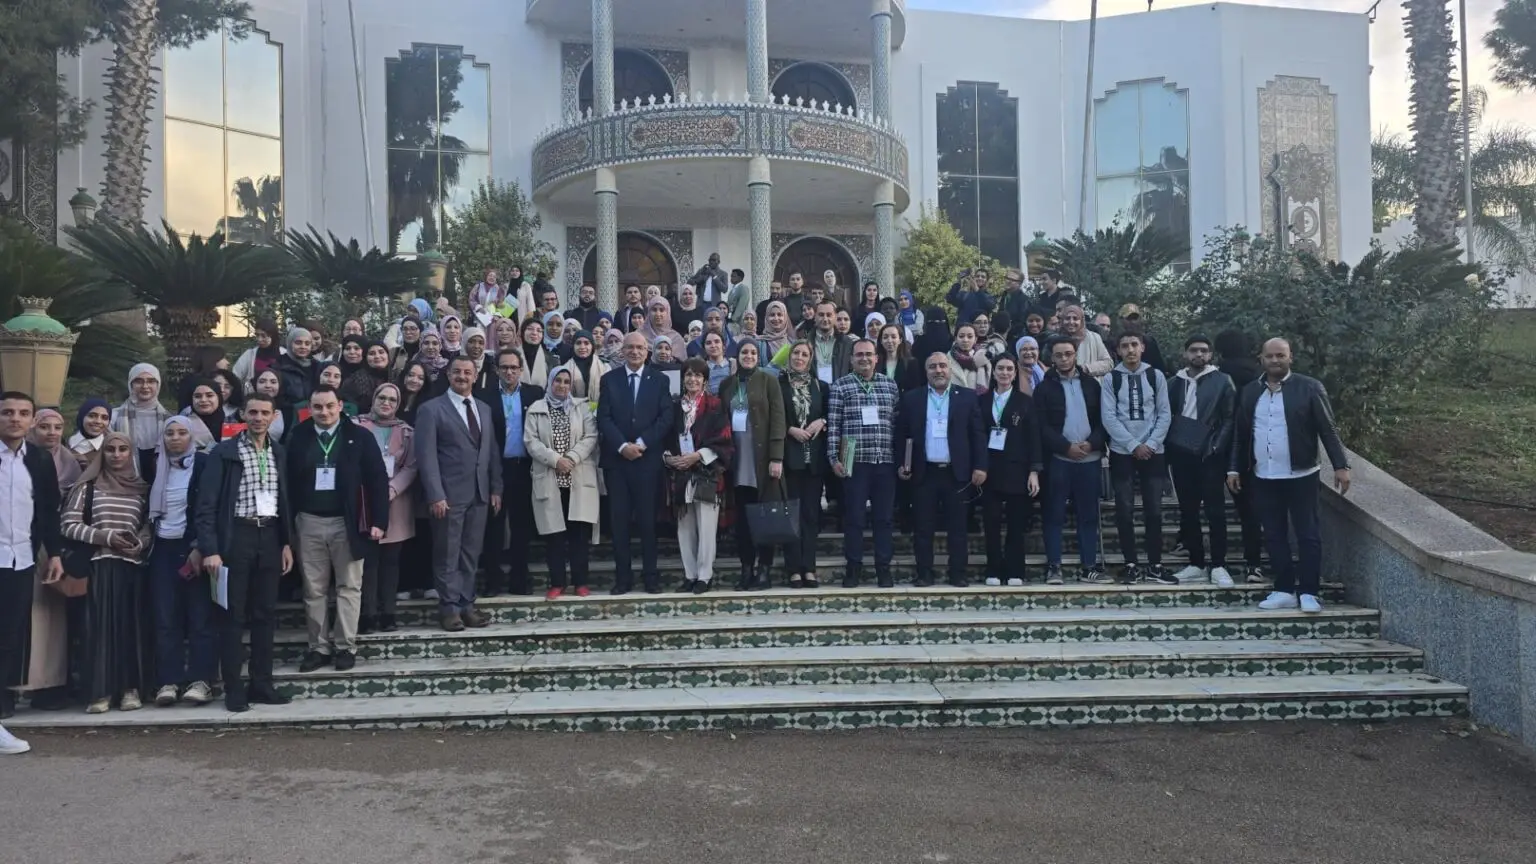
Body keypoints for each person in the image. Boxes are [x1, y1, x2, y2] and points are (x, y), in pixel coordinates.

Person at [1229, 338, 1351, 613]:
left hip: (1302, 473)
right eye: (1270, 356)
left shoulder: (1309, 387)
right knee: (1273, 534)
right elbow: (1240, 434)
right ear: (1261, 359)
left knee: (1308, 533)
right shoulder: (1250, 392)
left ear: (1290, 357)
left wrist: (1341, 466)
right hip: (1264, 475)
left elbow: (1327, 429)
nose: (1275, 361)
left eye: (1280, 356)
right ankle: (1283, 588)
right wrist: (1234, 467)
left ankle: (1309, 591)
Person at [196, 392, 295, 713]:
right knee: (232, 615)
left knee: (265, 613)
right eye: (252, 412)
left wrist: (285, 543)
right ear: (243, 414)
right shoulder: (225, 453)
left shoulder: (279, 452)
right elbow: (206, 504)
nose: (258, 418)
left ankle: (262, 684)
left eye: (265, 412)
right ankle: (234, 688)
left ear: (274, 416)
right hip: (236, 536)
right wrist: (210, 549)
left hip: (269, 535)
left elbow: (284, 501)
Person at [287, 385, 388, 672]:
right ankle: (318, 647)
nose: (324, 412)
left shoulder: (359, 437)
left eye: (330, 406)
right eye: (318, 407)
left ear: (340, 405)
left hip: (348, 522)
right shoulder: (299, 437)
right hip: (309, 521)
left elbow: (377, 480)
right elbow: (288, 483)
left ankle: (346, 646)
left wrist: (380, 522)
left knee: (349, 586)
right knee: (314, 588)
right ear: (310, 408)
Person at [59, 431, 150, 713]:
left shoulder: (142, 489)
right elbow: (68, 525)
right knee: (97, 631)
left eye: (123, 449)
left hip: (132, 568)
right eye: (111, 449)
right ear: (103, 453)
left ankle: (130, 690)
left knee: (130, 630)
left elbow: (150, 525)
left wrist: (141, 542)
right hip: (98, 566)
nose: (117, 454)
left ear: (131, 453)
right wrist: (106, 537)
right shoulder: (87, 487)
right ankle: (100, 692)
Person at [416, 357, 501, 630]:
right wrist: (435, 494)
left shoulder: (484, 409)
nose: (462, 376)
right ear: (448, 375)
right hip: (448, 496)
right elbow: (426, 456)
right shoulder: (431, 410)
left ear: (476, 376)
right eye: (457, 372)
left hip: (480, 494)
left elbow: (491, 452)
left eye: (467, 372)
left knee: (470, 553)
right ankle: (449, 608)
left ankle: (467, 605)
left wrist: (496, 487)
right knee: (447, 553)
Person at [896, 353, 987, 588]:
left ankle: (958, 573)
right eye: (932, 366)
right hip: (924, 473)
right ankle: (924, 573)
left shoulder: (966, 397)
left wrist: (980, 466)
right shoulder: (912, 398)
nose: (938, 370)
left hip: (956, 474)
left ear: (950, 369)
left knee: (958, 527)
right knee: (923, 528)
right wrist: (903, 465)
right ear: (926, 371)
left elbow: (977, 435)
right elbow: (902, 436)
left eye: (942, 366)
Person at [0, 393, 64, 722]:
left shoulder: (38, 459)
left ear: (32, 420)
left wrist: (53, 554)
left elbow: (48, 511)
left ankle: (3, 696)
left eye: (23, 413)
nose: (15, 419)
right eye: (8, 412)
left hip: (21, 558)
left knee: (11, 630)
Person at [596, 332, 676, 594]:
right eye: (629, 347)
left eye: (639, 347)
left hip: (647, 461)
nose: (634, 351)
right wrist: (622, 446)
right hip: (617, 463)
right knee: (619, 523)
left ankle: (650, 577)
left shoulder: (660, 380)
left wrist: (641, 443)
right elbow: (604, 417)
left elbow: (666, 418)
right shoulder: (609, 380)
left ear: (647, 351)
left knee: (647, 522)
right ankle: (623, 578)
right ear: (622, 351)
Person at [145, 416, 215, 707]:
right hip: (162, 547)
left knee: (199, 617)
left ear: (192, 436)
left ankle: (201, 680)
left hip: (192, 547)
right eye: (169, 433)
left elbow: (209, 506)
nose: (175, 438)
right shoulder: (156, 467)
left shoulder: (203, 465)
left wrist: (201, 545)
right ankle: (168, 680)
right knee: (165, 618)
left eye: (181, 432)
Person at [17, 409, 77, 713]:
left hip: (55, 549)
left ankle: (48, 685)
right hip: (21, 545)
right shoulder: (20, 461)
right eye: (44, 427)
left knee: (50, 620)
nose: (51, 433)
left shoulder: (70, 464)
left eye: (57, 427)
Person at [1102, 328, 1173, 585]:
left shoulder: (1155, 376)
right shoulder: (1112, 379)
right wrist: (1133, 444)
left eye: (1134, 344)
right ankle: (1130, 563)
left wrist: (1151, 443)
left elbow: (1165, 413)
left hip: (1154, 452)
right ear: (1118, 350)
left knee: (1154, 510)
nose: (1130, 350)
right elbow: (1109, 416)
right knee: (1124, 509)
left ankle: (1155, 563)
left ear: (1142, 347)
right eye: (1124, 346)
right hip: (1123, 452)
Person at [827, 339, 900, 587]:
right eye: (859, 355)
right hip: (854, 463)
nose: (864, 358)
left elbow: (897, 425)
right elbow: (834, 425)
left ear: (877, 358)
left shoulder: (890, 386)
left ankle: (883, 569)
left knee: (884, 519)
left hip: (884, 462)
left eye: (869, 354)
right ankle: (853, 568)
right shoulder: (841, 387)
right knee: (854, 519)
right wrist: (833, 458)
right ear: (851, 359)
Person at [1035, 338, 1107, 585]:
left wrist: (1091, 444)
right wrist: (1065, 447)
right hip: (1059, 459)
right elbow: (1041, 426)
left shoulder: (1092, 385)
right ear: (1052, 358)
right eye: (1059, 355)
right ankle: (1054, 566)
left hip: (1090, 458)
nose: (1064, 358)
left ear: (1075, 354)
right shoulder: (1044, 388)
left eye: (1068, 354)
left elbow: (1103, 419)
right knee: (1053, 514)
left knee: (1087, 515)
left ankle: (1089, 567)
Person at [1167, 335, 1237, 588]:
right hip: (1181, 452)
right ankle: (1196, 563)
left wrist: (1217, 445)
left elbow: (1230, 417)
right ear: (1186, 354)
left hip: (1210, 453)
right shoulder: (1174, 383)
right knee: (1188, 510)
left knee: (1215, 510)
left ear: (1211, 355)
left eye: (1204, 351)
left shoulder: (1222, 381)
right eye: (1194, 350)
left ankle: (1219, 564)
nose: (1199, 355)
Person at [525, 368, 600, 599]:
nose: (562, 385)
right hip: (550, 478)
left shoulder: (582, 407)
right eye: (558, 380)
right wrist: (556, 460)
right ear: (550, 382)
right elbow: (531, 441)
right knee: (554, 536)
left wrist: (571, 458)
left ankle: (580, 582)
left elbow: (591, 436)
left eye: (567, 382)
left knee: (578, 536)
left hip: (577, 478)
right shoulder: (536, 409)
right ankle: (557, 582)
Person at [717, 340, 786, 591]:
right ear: (737, 356)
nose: (748, 356)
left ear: (759, 356)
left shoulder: (769, 381)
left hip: (763, 461)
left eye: (753, 352)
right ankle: (746, 569)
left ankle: (764, 570)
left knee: (764, 519)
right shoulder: (727, 384)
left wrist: (776, 458)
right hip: (738, 461)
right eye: (744, 352)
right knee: (743, 521)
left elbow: (778, 419)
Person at [666, 358, 733, 594]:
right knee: (684, 527)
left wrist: (698, 456)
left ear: (705, 380)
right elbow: (665, 437)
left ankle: (704, 576)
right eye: (688, 375)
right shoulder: (674, 406)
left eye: (698, 376)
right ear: (682, 378)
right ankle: (689, 574)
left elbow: (725, 439)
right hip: (680, 474)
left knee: (706, 527)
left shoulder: (716, 405)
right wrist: (669, 457)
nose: (692, 379)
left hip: (707, 473)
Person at [355, 383, 417, 633]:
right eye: (382, 397)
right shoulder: (357, 426)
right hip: (364, 502)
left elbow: (412, 466)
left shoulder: (406, 432)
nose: (386, 403)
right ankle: (367, 614)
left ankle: (388, 612)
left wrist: (392, 489)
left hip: (396, 502)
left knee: (391, 562)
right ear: (374, 399)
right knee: (368, 562)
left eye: (392, 399)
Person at [484, 348, 543, 597]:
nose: (509, 371)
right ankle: (492, 581)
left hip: (525, 468)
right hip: (495, 469)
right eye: (504, 367)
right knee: (494, 527)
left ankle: (520, 579)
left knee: (522, 527)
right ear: (497, 370)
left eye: (514, 367)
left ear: (521, 369)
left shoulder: (534, 394)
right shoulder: (484, 397)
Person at [979, 356, 1041, 586]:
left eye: (1009, 369)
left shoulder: (1025, 402)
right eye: (1000, 369)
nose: (1004, 373)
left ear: (1015, 374)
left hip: (1017, 469)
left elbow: (1034, 439)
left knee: (1016, 523)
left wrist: (1034, 471)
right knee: (991, 523)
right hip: (989, 470)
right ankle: (993, 569)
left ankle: (1016, 569)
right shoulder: (981, 401)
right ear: (993, 372)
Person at [1215, 329, 1266, 583]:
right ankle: (1254, 564)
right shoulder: (1259, 375)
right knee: (1252, 512)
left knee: (1232, 507)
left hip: (1226, 448)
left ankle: (1217, 561)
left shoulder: (1221, 374)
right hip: (1257, 448)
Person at [776, 342, 828, 588]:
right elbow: (774, 417)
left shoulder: (820, 386)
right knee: (791, 515)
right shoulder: (779, 384)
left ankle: (810, 567)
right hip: (790, 458)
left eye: (804, 354)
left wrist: (822, 421)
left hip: (814, 461)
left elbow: (830, 412)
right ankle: (794, 568)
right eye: (796, 353)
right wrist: (789, 429)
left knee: (811, 515)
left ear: (810, 359)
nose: (799, 357)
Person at [110, 362, 173, 481]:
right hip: (122, 481)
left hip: (160, 481)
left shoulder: (169, 421)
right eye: (139, 381)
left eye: (151, 381)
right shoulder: (114, 417)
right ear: (131, 384)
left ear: (158, 384)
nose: (145, 386)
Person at [1058, 306, 1113, 378]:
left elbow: (1109, 364)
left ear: (1081, 320)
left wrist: (1086, 368)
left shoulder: (1094, 338)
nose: (1071, 322)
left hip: (1089, 385)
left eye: (1075, 318)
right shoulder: (1056, 339)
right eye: (1067, 318)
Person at [809, 301, 854, 386]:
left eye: (829, 315)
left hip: (840, 392)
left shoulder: (847, 343)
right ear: (815, 317)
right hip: (815, 392)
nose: (825, 319)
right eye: (821, 315)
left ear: (835, 317)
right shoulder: (806, 342)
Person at [343, 340, 394, 413]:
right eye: (372, 353)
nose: (377, 356)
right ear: (365, 358)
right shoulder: (355, 380)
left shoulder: (395, 377)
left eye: (381, 352)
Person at [232, 319, 283, 390]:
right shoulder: (249, 355)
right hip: (253, 398)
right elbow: (235, 376)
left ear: (273, 336)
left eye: (263, 336)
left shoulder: (284, 354)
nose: (259, 339)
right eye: (257, 335)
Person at [176, 346, 229, 411]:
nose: (227, 362)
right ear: (212, 359)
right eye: (223, 358)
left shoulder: (188, 380)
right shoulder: (194, 383)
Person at [563, 330, 608, 402]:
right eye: (578, 343)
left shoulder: (604, 367)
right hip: (573, 410)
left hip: (599, 410)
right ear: (573, 346)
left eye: (586, 343)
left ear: (592, 346)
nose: (582, 347)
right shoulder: (565, 368)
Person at [277, 327, 316, 408]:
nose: (303, 346)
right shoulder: (278, 366)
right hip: (289, 416)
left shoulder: (316, 366)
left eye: (307, 343)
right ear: (290, 343)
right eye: (298, 342)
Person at [181, 379, 226, 450]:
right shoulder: (182, 425)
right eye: (198, 396)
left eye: (209, 395)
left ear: (219, 398)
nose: (203, 400)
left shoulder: (232, 421)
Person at [947, 323, 991, 393]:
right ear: (955, 339)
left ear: (975, 339)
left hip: (978, 401)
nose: (965, 340)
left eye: (970, 337)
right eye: (961, 336)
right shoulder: (946, 360)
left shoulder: (984, 359)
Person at [69, 398, 110, 468]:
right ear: (82, 416)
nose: (98, 421)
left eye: (104, 418)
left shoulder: (111, 447)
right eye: (92, 416)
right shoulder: (63, 443)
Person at [876, 323, 918, 391]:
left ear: (900, 340)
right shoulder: (875, 362)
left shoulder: (911, 363)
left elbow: (914, 389)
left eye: (893, 337)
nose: (889, 340)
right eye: (885, 337)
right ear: (881, 341)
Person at [250, 369, 288, 442]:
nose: (268, 385)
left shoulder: (288, 411)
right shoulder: (246, 408)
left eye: (273, 382)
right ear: (255, 384)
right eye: (262, 382)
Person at [396, 360, 431, 426]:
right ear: (404, 376)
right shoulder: (393, 397)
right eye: (411, 375)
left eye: (420, 378)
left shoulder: (427, 407)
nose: (414, 380)